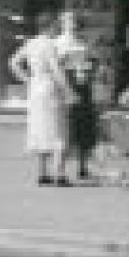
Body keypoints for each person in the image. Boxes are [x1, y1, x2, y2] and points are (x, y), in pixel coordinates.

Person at [10, 12, 73, 186]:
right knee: (59, 131)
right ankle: (59, 175)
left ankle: (42, 174)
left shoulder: (31, 43)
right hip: (50, 88)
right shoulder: (49, 45)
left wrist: (27, 79)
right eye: (56, 26)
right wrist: (69, 91)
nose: (57, 29)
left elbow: (13, 62)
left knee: (40, 130)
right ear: (50, 27)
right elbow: (56, 70)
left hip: (35, 89)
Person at [55, 13, 101, 183]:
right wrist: (68, 67)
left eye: (74, 21)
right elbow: (54, 66)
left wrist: (90, 70)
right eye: (68, 21)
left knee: (85, 127)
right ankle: (60, 170)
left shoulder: (83, 42)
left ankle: (83, 167)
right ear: (62, 23)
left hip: (84, 88)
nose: (72, 24)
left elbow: (95, 60)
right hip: (67, 88)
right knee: (67, 129)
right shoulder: (58, 42)